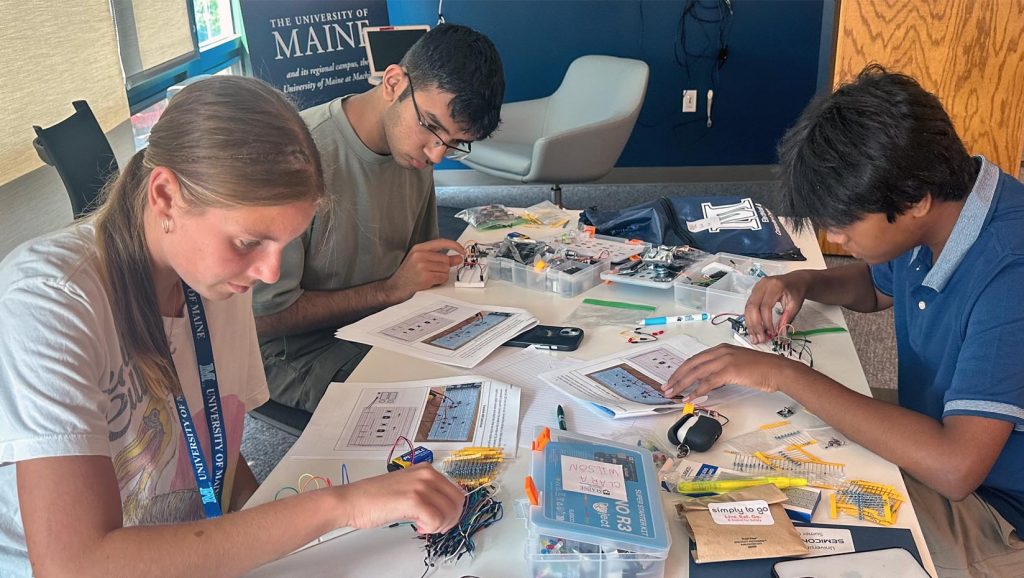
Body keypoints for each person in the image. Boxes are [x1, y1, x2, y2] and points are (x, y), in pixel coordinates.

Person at [0, 76, 465, 577]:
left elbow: (213, 450)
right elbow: (73, 565)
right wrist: (340, 506)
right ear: (165, 196)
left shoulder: (217, 279)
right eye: (249, 242)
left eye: (284, 244)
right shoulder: (51, 300)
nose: (269, 273)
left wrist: (278, 522)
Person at [663, 65, 1024, 577]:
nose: (835, 239)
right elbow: (876, 288)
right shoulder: (950, 206)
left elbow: (955, 467)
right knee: (765, 452)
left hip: (997, 508)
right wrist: (807, 281)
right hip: (939, 432)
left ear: (915, 199)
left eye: (844, 225)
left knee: (775, 542)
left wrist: (782, 373)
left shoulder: (1010, 271)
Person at [253, 23, 505, 413]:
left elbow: (416, 275)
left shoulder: (416, 152)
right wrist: (389, 290)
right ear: (392, 82)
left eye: (454, 144)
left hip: (387, 328)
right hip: (299, 355)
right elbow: (263, 318)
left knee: (500, 376)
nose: (437, 154)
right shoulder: (296, 156)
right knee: (447, 410)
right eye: (432, 128)